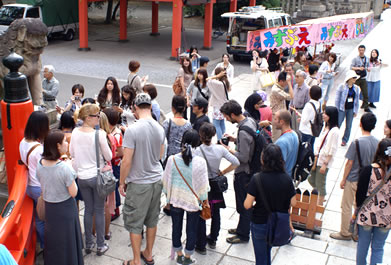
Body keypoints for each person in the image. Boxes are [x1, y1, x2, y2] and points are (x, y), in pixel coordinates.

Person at [119, 93, 165, 265]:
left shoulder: (133, 129)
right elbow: (161, 154)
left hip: (139, 183)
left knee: (135, 222)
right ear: (150, 107)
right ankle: (149, 254)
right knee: (152, 220)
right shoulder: (159, 127)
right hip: (156, 179)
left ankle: (136, 260)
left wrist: (121, 182)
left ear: (135, 108)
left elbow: (126, 161)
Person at [70, 104, 112, 256]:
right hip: (97, 176)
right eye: (97, 116)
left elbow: (72, 153)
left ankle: (88, 243)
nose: (99, 118)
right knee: (99, 210)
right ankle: (100, 245)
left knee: (88, 209)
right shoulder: (99, 134)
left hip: (82, 177)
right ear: (88, 118)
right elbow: (109, 157)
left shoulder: (75, 132)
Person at [244, 144, 296, 265]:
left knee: (261, 257)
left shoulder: (257, 179)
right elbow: (293, 202)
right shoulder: (287, 179)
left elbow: (247, 205)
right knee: (267, 251)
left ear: (263, 159)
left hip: (260, 222)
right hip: (278, 222)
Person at [36, 130, 83, 265]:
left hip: (50, 207)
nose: (67, 144)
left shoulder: (40, 163)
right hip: (65, 208)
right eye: (65, 142)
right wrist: (70, 168)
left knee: (54, 241)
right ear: (58, 146)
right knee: (69, 241)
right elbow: (73, 192)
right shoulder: (64, 168)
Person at [162, 129, 208, 264]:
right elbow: (204, 186)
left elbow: (166, 181)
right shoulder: (200, 162)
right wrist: (204, 200)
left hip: (176, 200)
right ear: (197, 143)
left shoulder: (172, 160)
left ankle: (179, 254)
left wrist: (168, 199)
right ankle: (188, 257)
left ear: (182, 141)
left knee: (176, 227)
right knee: (192, 229)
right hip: (193, 202)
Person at [330, 112, 378, 240]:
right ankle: (358, 233)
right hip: (368, 181)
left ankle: (345, 232)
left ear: (360, 124)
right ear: (373, 126)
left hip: (354, 179)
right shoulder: (377, 143)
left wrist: (343, 179)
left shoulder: (356, 142)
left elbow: (349, 163)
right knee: (361, 206)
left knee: (347, 206)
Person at [194, 123, 239, 253]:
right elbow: (236, 162)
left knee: (201, 214)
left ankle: (200, 244)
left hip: (202, 186)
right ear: (214, 135)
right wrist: (223, 172)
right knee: (216, 213)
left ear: (200, 135)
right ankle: (213, 239)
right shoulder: (220, 149)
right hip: (216, 186)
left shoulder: (197, 151)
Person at [220, 100, 257, 244]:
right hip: (250, 171)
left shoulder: (243, 131)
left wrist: (228, 149)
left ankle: (243, 234)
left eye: (227, 116)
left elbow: (243, 157)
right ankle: (241, 228)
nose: (226, 119)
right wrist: (233, 139)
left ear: (233, 114)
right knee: (242, 203)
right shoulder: (250, 121)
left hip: (245, 173)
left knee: (244, 204)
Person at [355, 138, 391, 265]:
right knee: (378, 248)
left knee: (362, 247)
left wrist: (356, 211)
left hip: (367, 215)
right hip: (386, 218)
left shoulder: (368, 170)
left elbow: (359, 195)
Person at [19, 111, 49, 249]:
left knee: (38, 218)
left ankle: (43, 244)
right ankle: (47, 245)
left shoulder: (23, 142)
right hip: (39, 187)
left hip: (29, 186)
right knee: (45, 219)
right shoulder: (38, 149)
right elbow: (45, 169)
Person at [308, 106, 340, 205]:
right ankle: (320, 196)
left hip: (323, 161)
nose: (323, 115)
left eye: (325, 113)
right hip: (317, 157)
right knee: (311, 179)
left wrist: (325, 163)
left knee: (320, 182)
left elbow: (332, 149)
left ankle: (320, 203)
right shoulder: (325, 127)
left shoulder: (334, 131)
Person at [102, 107, 123, 220]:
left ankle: (115, 209)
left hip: (115, 165)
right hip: (111, 164)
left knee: (114, 187)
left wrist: (108, 154)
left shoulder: (116, 134)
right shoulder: (109, 132)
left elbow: (120, 152)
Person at [335, 70, 360, 146]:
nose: (355, 79)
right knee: (338, 124)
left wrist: (356, 111)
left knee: (349, 125)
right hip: (342, 108)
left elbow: (357, 100)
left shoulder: (356, 88)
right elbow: (337, 99)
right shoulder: (342, 87)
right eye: (354, 78)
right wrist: (337, 109)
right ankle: (334, 138)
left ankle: (345, 140)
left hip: (351, 109)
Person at [207, 67, 230, 141]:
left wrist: (217, 76)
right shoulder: (225, 82)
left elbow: (207, 80)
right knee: (222, 124)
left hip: (217, 106)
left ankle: (220, 140)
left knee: (216, 124)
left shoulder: (218, 83)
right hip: (223, 106)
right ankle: (224, 139)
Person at [270, 72, 293, 142]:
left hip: (281, 116)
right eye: (285, 82)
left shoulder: (278, 86)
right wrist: (289, 83)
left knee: (282, 137)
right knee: (277, 138)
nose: (286, 84)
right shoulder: (276, 90)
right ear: (281, 81)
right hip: (277, 117)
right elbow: (291, 96)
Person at [274, 110, 299, 176]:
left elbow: (279, 165)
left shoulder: (281, 142)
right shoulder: (294, 134)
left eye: (275, 119)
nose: (274, 121)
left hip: (281, 177)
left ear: (282, 122)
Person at [351, 45, 370, 112]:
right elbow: (351, 67)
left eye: (362, 50)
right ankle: (352, 105)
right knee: (353, 92)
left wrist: (368, 69)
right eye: (360, 50)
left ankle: (365, 106)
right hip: (356, 77)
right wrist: (358, 68)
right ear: (358, 50)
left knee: (365, 92)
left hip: (363, 77)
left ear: (364, 50)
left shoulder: (367, 58)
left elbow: (368, 66)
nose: (361, 51)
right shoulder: (355, 58)